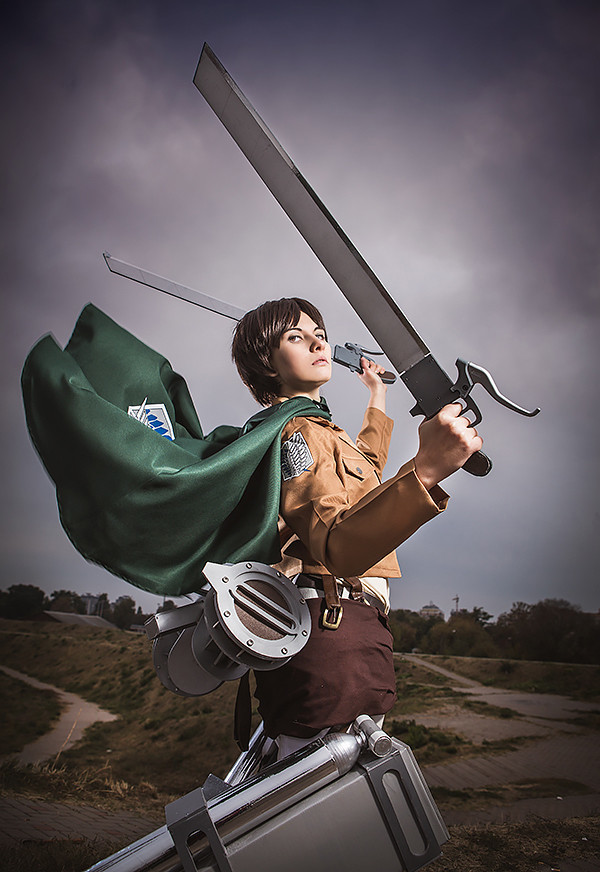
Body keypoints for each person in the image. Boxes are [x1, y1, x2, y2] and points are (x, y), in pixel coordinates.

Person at [231, 297, 482, 759]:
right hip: (328, 626)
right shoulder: (294, 435)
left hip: (355, 624)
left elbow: (365, 468)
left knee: (348, 771)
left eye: (320, 334)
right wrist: (426, 469)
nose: (317, 343)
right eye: (296, 337)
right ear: (266, 362)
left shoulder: (324, 431)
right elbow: (337, 545)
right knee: (319, 779)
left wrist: (377, 393)